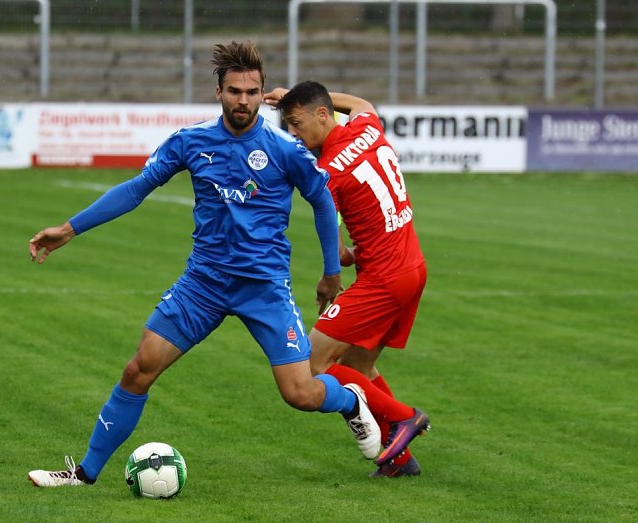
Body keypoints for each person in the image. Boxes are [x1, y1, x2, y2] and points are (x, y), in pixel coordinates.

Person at [26, 41, 381, 488]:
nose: (244, 100)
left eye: (252, 91)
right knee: (139, 368)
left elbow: (323, 202)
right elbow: (137, 189)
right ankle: (83, 473)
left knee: (300, 393)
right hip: (204, 283)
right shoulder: (191, 141)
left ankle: (349, 402)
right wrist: (70, 228)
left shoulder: (285, 149)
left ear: (262, 92)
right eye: (235, 90)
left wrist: (332, 271)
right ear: (219, 92)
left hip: (264, 286)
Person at [266, 81, 430, 477]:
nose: (294, 135)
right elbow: (360, 101)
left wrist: (333, 270)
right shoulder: (366, 127)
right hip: (413, 268)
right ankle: (399, 460)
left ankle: (406, 416)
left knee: (312, 365)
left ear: (323, 115)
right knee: (358, 366)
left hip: (383, 279)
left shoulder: (327, 171)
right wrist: (296, 93)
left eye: (297, 123)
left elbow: (336, 249)